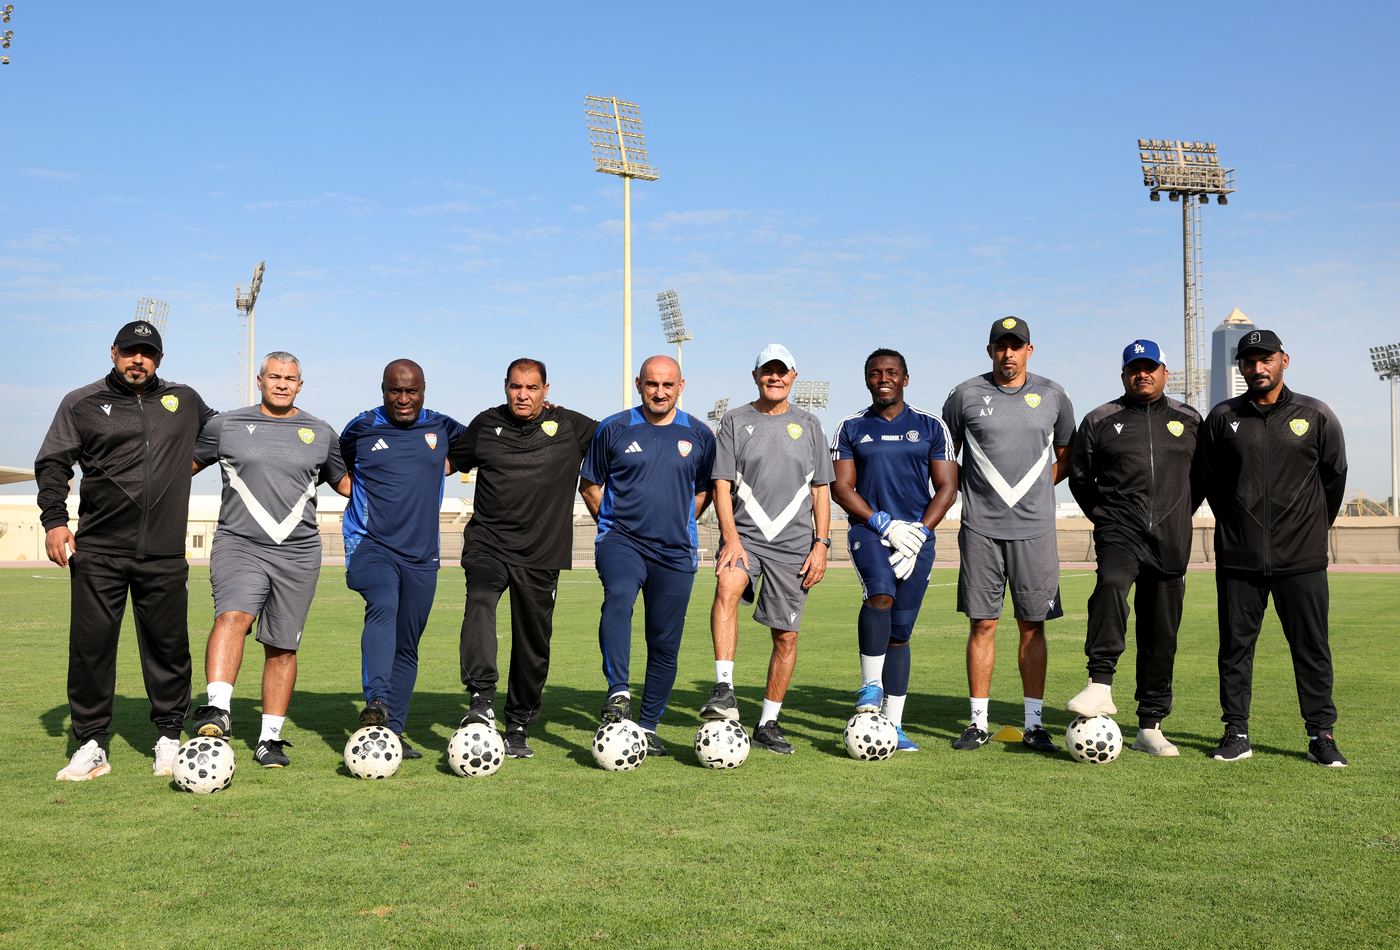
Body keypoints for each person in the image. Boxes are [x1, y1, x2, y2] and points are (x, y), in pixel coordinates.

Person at [38, 320, 216, 781]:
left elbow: (224, 435)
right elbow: (53, 463)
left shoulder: (186, 400)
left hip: (163, 553)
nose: (139, 360)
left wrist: (182, 466)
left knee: (168, 648)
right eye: (131, 351)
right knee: (91, 649)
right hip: (98, 550)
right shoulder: (81, 402)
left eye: (148, 353)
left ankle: (168, 739)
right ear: (113, 352)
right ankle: (92, 744)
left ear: (160, 358)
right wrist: (55, 521)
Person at [187, 352, 350, 768]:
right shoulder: (225, 426)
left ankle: (269, 739)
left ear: (300, 385)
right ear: (259, 380)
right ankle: (218, 709)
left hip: (299, 553)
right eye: (274, 376)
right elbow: (179, 465)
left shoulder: (321, 431)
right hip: (239, 544)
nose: (281, 383)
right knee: (233, 617)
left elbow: (346, 483)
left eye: (290, 378)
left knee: (282, 646)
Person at [1195, 329, 1348, 766]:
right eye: (1249, 361)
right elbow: (1207, 479)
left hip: (1301, 559)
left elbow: (1333, 478)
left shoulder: (1315, 414)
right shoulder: (1223, 417)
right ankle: (1236, 732)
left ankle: (1321, 735)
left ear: (1284, 360)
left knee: (1311, 649)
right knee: (1235, 649)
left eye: (1266, 360)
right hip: (1239, 559)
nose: (1257, 368)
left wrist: (1310, 529)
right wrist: (1234, 525)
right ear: (1240, 367)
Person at [447, 359, 598, 758]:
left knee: (533, 641)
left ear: (546, 390)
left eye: (532, 388)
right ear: (505, 387)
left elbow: (615, 444)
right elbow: (443, 461)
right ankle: (480, 699)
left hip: (542, 552)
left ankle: (517, 725)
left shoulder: (571, 426)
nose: (523, 395)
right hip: (488, 544)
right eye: (516, 387)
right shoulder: (485, 425)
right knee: (479, 599)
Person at [942, 316, 1075, 753]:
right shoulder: (964, 396)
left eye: (1016, 346)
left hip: (1036, 531)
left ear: (1029, 351)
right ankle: (977, 723)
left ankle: (1034, 724)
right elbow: (946, 459)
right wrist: (978, 493)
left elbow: (1065, 455)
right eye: (1001, 345)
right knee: (982, 623)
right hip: (980, 529)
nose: (1008, 353)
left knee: (1032, 625)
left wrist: (1034, 492)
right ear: (990, 350)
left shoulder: (1054, 395)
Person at [1066, 340, 1202, 757]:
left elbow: (1205, 478)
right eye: (1133, 369)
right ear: (1123, 375)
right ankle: (1100, 684)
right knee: (1110, 583)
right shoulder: (1101, 419)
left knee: (1161, 634)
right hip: (1119, 531)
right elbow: (1079, 476)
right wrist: (1107, 517)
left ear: (1165, 372)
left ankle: (1150, 727)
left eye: (1150, 368)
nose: (1142, 374)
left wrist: (1177, 514)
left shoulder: (1190, 419)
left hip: (1171, 540)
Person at [698, 344, 835, 755]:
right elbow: (721, 485)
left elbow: (821, 490)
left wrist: (822, 544)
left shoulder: (810, 424)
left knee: (786, 638)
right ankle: (724, 688)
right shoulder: (735, 420)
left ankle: (768, 723)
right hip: (746, 539)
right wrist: (732, 538)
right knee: (727, 586)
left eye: (782, 372)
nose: (774, 378)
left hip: (794, 548)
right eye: (767, 371)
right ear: (756, 375)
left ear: (793, 376)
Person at [579, 355, 715, 756]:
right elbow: (589, 484)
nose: (660, 392)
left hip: (675, 551)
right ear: (639, 384)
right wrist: (613, 523)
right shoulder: (613, 428)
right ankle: (619, 691)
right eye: (652, 384)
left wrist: (677, 518)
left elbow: (707, 488)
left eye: (668, 385)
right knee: (618, 595)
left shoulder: (701, 434)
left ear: (681, 386)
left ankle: (648, 725)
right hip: (622, 542)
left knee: (664, 642)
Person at [830, 348, 959, 751]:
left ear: (905, 378)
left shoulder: (930, 425)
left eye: (891, 372)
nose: (883, 378)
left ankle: (895, 726)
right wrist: (882, 523)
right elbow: (841, 487)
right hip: (870, 531)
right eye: (875, 373)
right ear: (867, 379)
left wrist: (919, 531)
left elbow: (948, 487)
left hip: (917, 537)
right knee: (880, 594)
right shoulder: (851, 427)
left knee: (900, 635)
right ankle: (870, 685)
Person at [340, 359, 466, 758]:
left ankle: (391, 733)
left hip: (423, 554)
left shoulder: (444, 428)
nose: (404, 398)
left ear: (424, 389)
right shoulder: (360, 428)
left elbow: (490, 442)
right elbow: (335, 468)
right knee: (383, 604)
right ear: (383, 390)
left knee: (408, 645)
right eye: (396, 390)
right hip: (370, 546)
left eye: (412, 390)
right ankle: (377, 700)